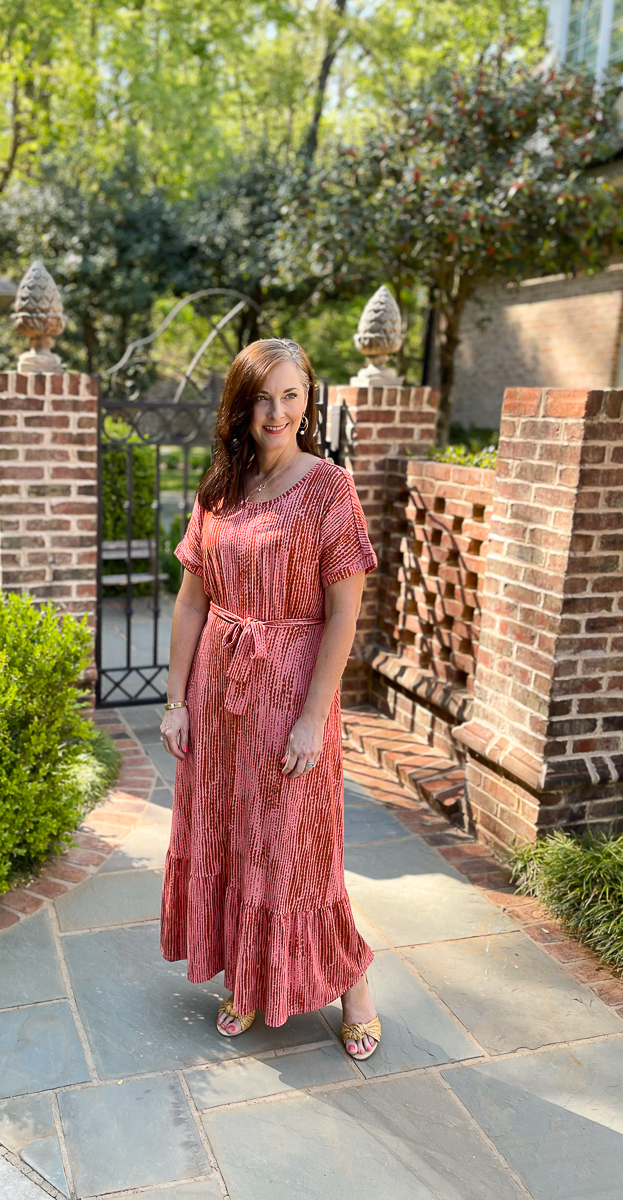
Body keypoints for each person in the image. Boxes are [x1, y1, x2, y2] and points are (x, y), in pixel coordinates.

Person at [158, 336, 381, 1061]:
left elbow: (344, 614)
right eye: (263, 397)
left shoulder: (329, 489)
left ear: (308, 398)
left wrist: (315, 718)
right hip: (218, 698)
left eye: (291, 394)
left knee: (297, 850)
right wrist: (175, 699)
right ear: (241, 405)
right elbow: (192, 601)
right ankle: (251, 980)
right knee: (232, 838)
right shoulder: (221, 487)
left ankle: (355, 984)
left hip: (290, 695)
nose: (277, 411)